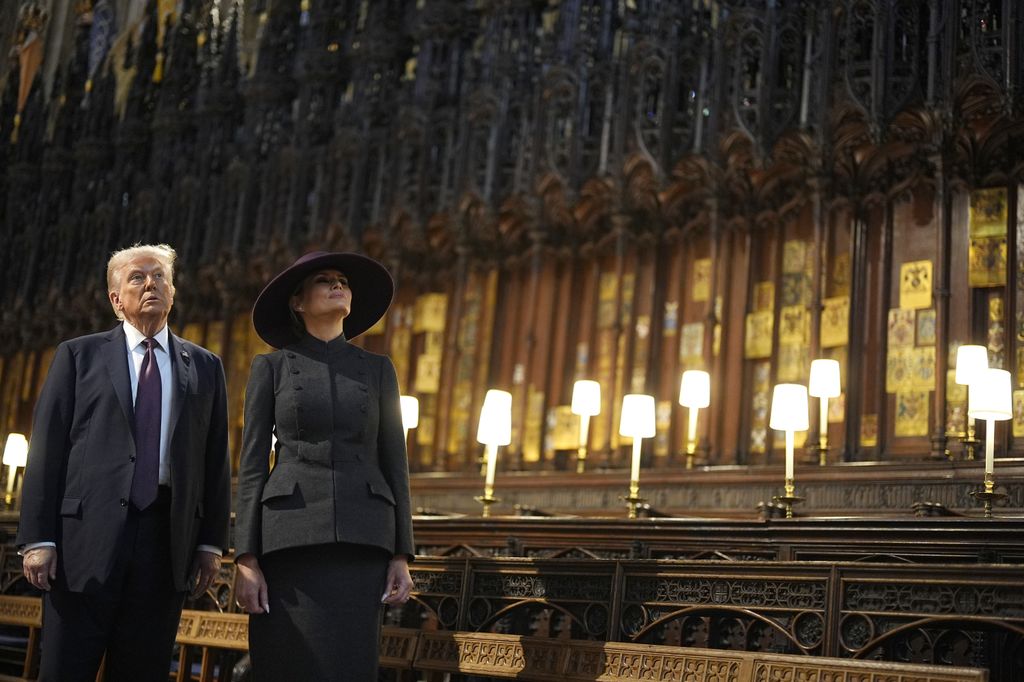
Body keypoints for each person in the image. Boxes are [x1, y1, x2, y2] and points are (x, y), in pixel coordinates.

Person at [17, 243, 232, 681]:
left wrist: (211, 542)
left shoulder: (205, 366)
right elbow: (47, 449)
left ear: (173, 292)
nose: (151, 283)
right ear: (116, 299)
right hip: (84, 542)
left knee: (142, 670)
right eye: (137, 277)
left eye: (160, 277)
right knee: (65, 669)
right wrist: (38, 537)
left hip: (164, 540)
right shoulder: (79, 356)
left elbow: (214, 458)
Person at [234, 251, 415, 681]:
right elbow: (253, 465)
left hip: (363, 539)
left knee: (349, 666)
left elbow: (396, 462)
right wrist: (245, 558)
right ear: (298, 302)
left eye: (343, 282)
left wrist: (401, 554)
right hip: (290, 541)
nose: (338, 286)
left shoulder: (378, 370)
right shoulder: (271, 368)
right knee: (286, 664)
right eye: (324, 280)